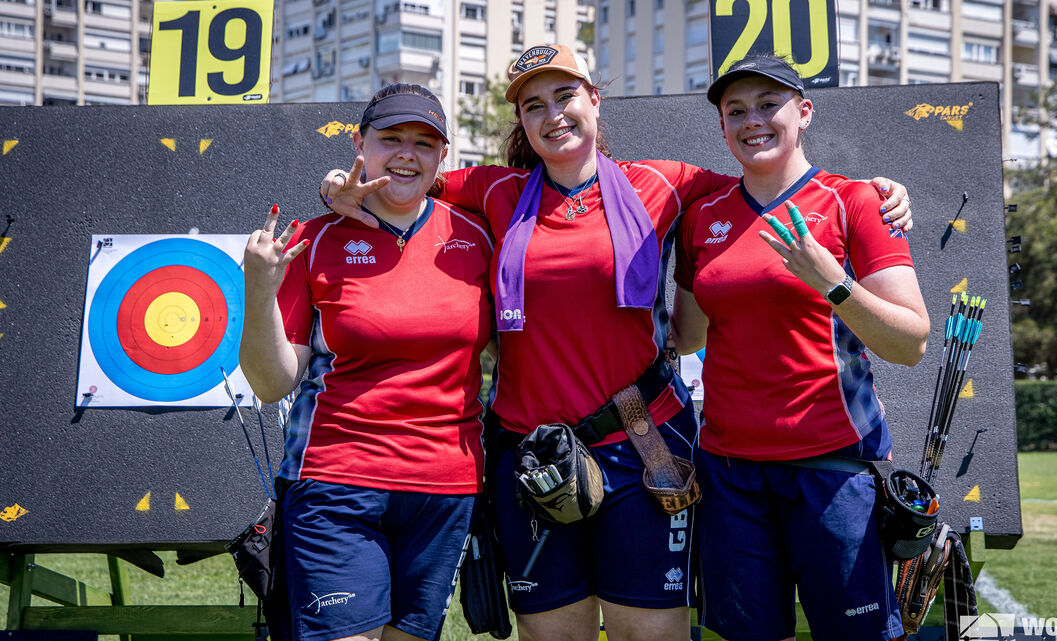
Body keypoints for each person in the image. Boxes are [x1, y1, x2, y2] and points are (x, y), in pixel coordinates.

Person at [318, 45, 914, 641]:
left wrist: (874, 192)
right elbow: (404, 175)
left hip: (643, 442)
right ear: (522, 122)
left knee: (649, 634)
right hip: (533, 453)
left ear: (595, 102)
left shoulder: (664, 183)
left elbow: (763, 185)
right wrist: (340, 189)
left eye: (566, 95)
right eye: (534, 105)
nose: (553, 114)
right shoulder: (494, 192)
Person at [671, 53, 930, 641]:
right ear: (721, 126)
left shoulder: (857, 201)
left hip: (832, 469)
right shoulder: (702, 218)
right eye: (736, 110)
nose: (752, 120)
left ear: (805, 112)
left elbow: (911, 342)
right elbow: (685, 336)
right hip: (730, 474)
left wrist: (831, 282)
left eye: (769, 104)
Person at [239, 84, 494, 641]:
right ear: (359, 145)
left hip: (445, 486)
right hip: (336, 479)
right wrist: (257, 291)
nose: (408, 153)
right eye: (391, 139)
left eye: (425, 142)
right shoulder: (313, 239)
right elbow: (270, 383)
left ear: (443, 157)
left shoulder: (477, 236)